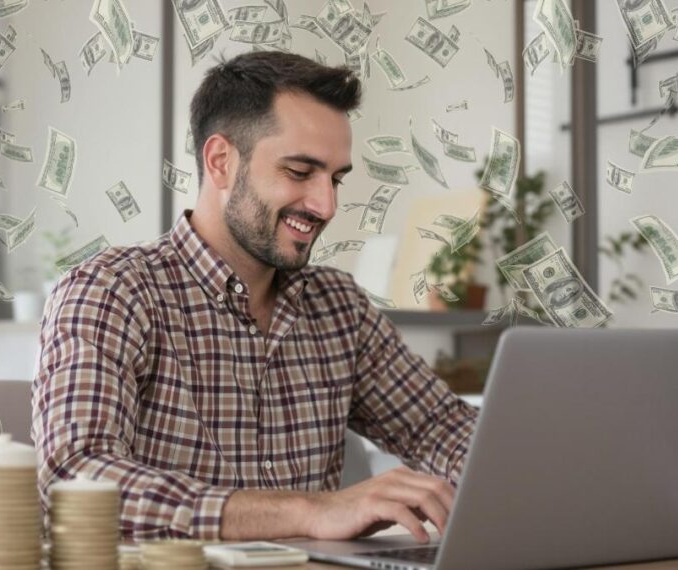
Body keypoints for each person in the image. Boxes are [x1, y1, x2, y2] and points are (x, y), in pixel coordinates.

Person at [32, 51, 479, 545]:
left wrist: (529, 467)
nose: (325, 204)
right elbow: (73, 482)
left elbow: (442, 430)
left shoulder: (340, 308)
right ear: (221, 162)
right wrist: (309, 512)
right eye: (299, 171)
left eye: (335, 178)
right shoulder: (112, 291)